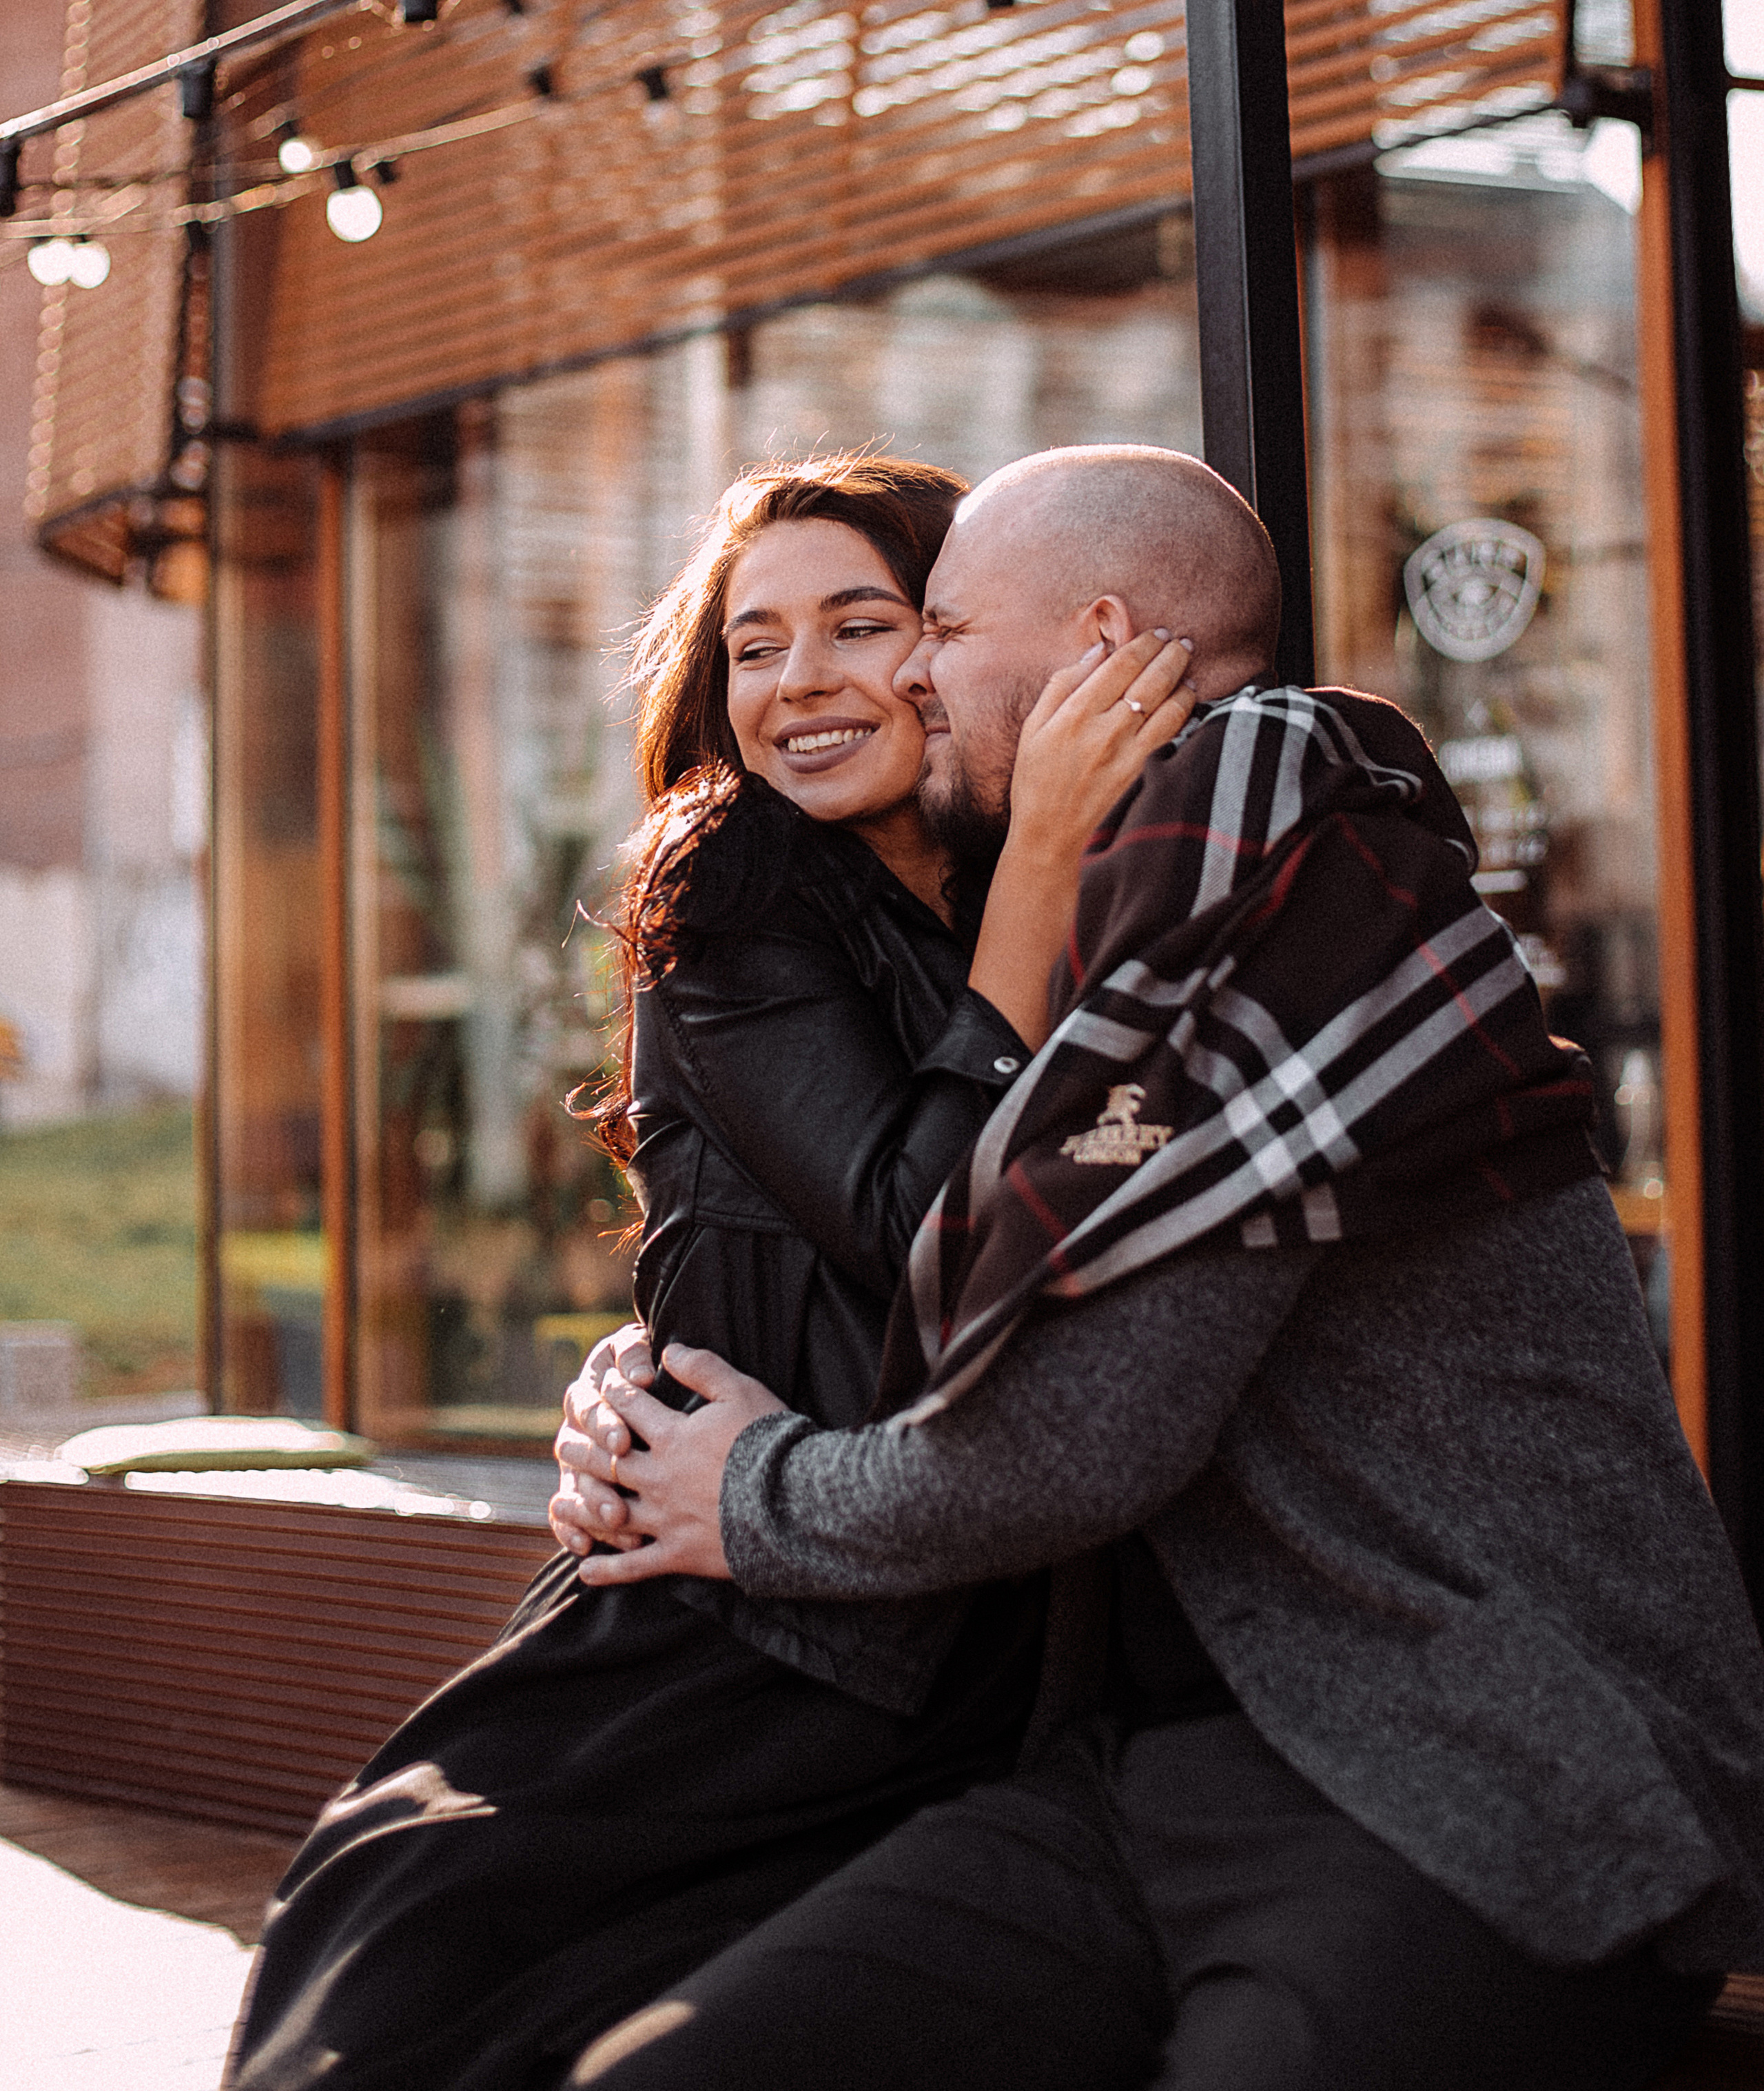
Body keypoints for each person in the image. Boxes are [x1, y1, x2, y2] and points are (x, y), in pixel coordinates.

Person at [555, 445, 1764, 2091]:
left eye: (941, 628)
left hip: (1486, 1772)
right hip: (1157, 1775)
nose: (907, 669)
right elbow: (907, 1222)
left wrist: (743, 1489)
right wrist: (656, 1355)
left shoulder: (1280, 888)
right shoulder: (1107, 910)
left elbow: (1073, 1441)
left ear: (1102, 639)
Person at [225, 451, 1193, 2091]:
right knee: (427, 2014)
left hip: (972, 1644)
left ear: (954, 645)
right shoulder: (731, 896)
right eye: (753, 647)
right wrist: (1037, 864)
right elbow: (916, 1235)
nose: (798, 684)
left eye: (858, 624)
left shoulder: (1079, 897)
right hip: (736, 1654)